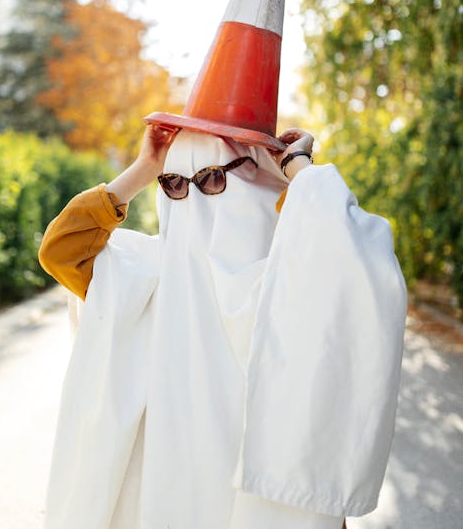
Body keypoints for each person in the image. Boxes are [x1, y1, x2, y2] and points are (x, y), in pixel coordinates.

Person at [39, 122, 407, 529]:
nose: (192, 197)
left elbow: (348, 252)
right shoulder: (145, 277)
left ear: (256, 180)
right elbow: (61, 250)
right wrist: (145, 167)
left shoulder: (285, 285)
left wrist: (297, 168)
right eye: (174, 183)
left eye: (213, 179)